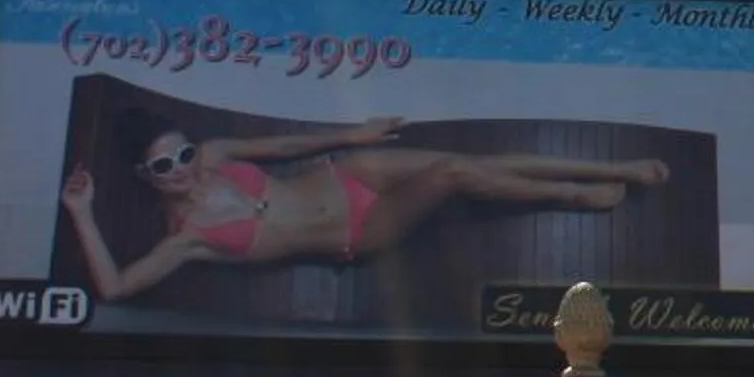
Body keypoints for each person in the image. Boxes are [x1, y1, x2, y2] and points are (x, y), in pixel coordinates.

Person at [60, 113, 667, 301]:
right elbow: (113, 288)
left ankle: (614, 169)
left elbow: (284, 148)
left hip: (343, 175)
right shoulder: (185, 237)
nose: (182, 167)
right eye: (164, 165)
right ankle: (575, 195)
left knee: (471, 160)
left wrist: (356, 135)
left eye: (183, 152)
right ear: (146, 175)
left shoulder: (217, 155)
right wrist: (82, 212)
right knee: (455, 174)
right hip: (356, 229)